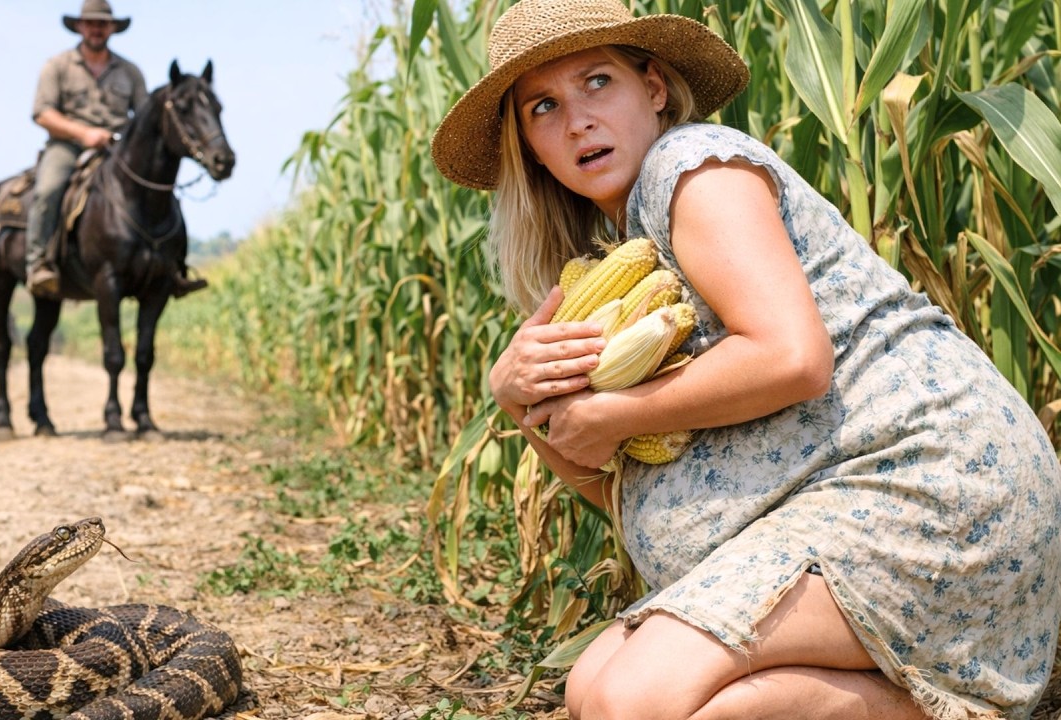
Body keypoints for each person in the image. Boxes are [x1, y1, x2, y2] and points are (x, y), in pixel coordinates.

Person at [429, 1, 1061, 719]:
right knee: (593, 687)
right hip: (845, 505)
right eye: (545, 106)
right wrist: (524, 404)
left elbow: (793, 358)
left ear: (655, 88)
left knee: (634, 702)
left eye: (597, 82)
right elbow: (624, 484)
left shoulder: (691, 169)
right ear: (530, 145)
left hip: (931, 482)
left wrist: (612, 408)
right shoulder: (619, 262)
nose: (577, 120)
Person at [26, 0, 206, 298]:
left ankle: (175, 268)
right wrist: (84, 133)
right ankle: (39, 262)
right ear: (80, 26)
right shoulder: (58, 66)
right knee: (48, 188)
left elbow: (146, 114)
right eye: (91, 23)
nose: (97, 29)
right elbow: (42, 113)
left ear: (112, 28)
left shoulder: (129, 71)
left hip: (118, 148)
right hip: (68, 146)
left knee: (162, 193)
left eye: (103, 24)